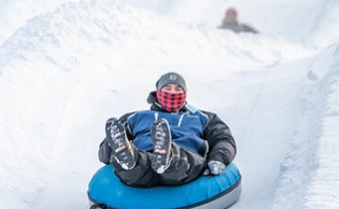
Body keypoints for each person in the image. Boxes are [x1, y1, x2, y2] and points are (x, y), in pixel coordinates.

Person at [98, 72, 237, 187]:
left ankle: (168, 156)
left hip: (185, 153)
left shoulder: (202, 117)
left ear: (185, 94)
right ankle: (129, 158)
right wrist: (113, 149)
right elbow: (104, 155)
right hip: (143, 151)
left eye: (177, 89)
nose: (172, 92)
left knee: (181, 162)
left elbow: (223, 138)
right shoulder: (135, 117)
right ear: (158, 92)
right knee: (139, 163)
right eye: (167, 88)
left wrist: (219, 158)